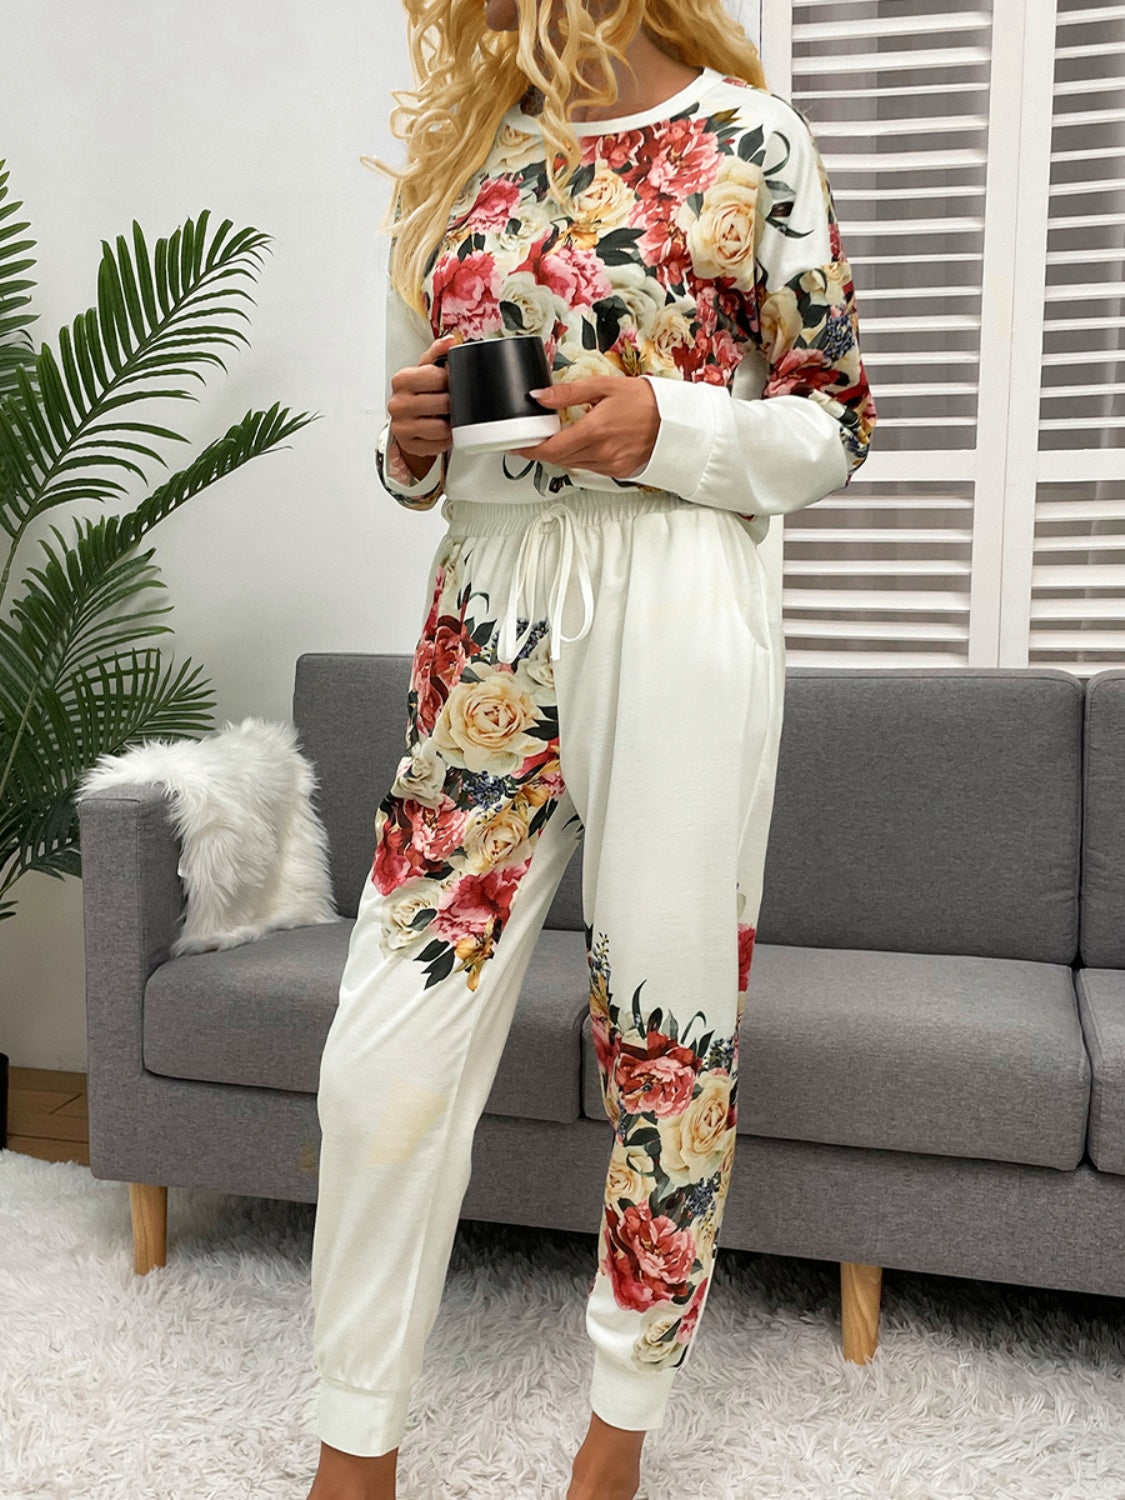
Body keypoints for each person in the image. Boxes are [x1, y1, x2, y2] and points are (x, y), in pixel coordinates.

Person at [307, 1, 877, 1496]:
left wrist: (665, 428)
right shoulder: (452, 160)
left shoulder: (752, 139)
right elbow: (415, 444)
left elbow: (832, 421)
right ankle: (353, 1441)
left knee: (666, 1030)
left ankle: (617, 1433)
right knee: (382, 1050)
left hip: (679, 589)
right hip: (485, 608)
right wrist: (411, 447)